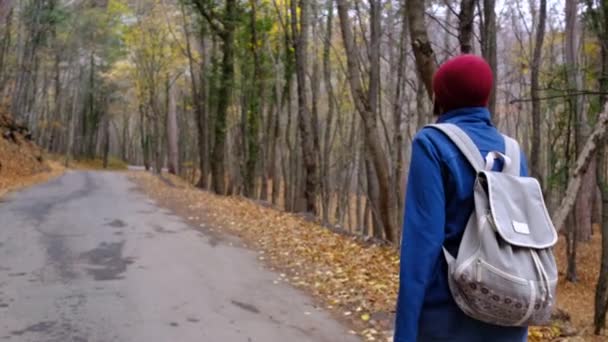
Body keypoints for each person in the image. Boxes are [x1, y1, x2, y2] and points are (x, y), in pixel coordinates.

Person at [394, 54, 529, 342]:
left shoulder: (431, 143)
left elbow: (422, 244)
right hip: (507, 312)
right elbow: (523, 241)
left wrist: (405, 332)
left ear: (441, 95)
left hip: (446, 317)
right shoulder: (513, 152)